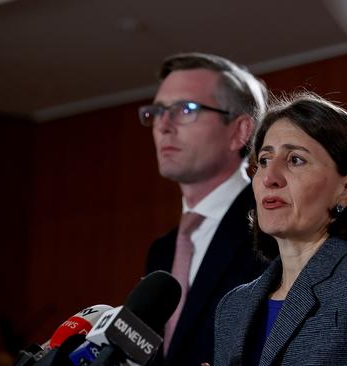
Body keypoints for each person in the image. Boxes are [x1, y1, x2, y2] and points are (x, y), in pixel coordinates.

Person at [214, 93, 347, 365]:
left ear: (346, 190)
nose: (269, 178)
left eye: (295, 160)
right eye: (263, 161)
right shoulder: (232, 307)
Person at [140, 52, 269, 366]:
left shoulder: (274, 228)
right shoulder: (163, 250)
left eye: (186, 109)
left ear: (239, 131)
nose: (163, 126)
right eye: (158, 112)